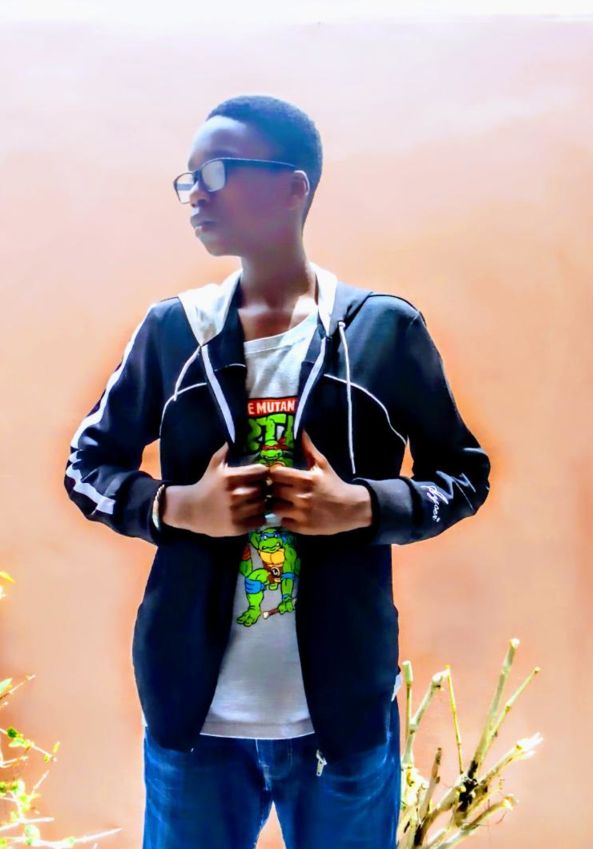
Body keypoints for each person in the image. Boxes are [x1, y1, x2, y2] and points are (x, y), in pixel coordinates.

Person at [64, 94, 491, 849]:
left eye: (216, 172)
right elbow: (87, 464)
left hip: (342, 716)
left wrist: (363, 506)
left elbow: (464, 473)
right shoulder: (174, 331)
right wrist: (175, 507)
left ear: (294, 187)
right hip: (193, 718)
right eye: (188, 178)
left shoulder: (382, 330)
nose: (195, 194)